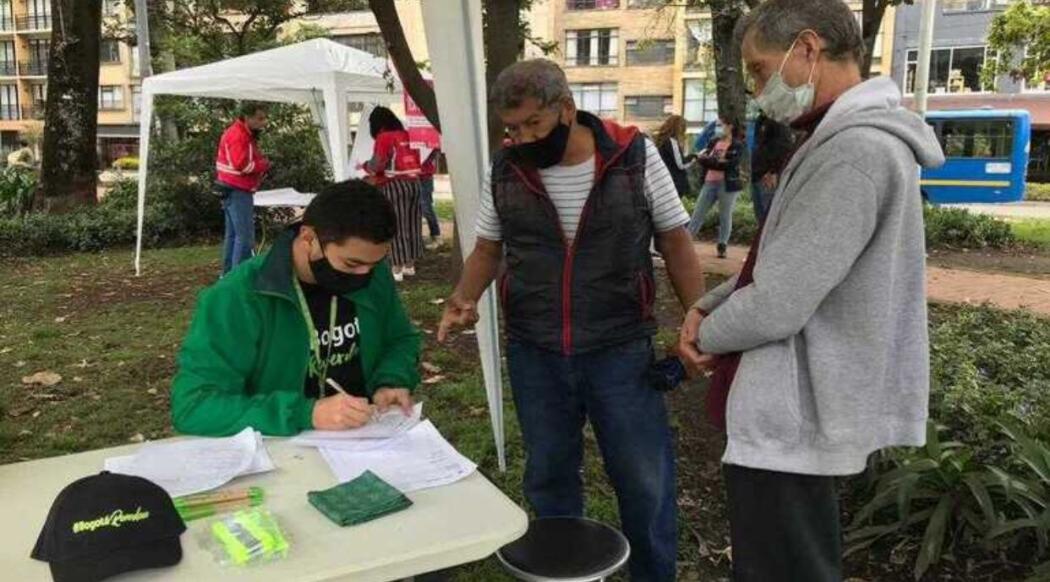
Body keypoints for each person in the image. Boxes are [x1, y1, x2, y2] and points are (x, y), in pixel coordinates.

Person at [676, 1, 945, 580]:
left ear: (806, 49)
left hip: (795, 408)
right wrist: (705, 306)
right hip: (797, 402)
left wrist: (707, 335)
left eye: (758, 68)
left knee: (785, 565)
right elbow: (784, 264)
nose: (755, 88)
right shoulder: (837, 141)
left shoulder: (854, 154)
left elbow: (778, 301)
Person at [437, 59, 704, 582]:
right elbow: (489, 247)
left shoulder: (633, 156)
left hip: (620, 347)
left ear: (566, 108)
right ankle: (562, 574)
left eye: (533, 125)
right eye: (511, 129)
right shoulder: (506, 169)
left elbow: (674, 237)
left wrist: (696, 313)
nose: (522, 138)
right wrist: (464, 296)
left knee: (644, 481)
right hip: (535, 349)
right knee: (550, 477)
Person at [171, 180, 422, 437]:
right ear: (309, 237)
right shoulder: (238, 298)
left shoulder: (372, 271)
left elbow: (400, 339)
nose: (364, 275)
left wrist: (391, 380)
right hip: (280, 448)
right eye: (351, 263)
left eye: (374, 263)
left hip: (363, 438)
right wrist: (306, 413)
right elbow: (194, 406)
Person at [364, 106, 423, 282]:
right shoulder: (406, 134)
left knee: (396, 225)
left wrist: (367, 166)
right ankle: (410, 265)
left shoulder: (384, 137)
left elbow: (378, 164)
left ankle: (396, 267)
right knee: (412, 223)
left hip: (395, 185)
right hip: (414, 183)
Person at [216, 103, 271, 276]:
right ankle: (238, 277)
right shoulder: (239, 135)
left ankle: (227, 275)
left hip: (230, 188)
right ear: (248, 118)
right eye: (260, 118)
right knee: (244, 238)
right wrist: (263, 164)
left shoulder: (238, 132)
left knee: (233, 236)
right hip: (238, 189)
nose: (264, 122)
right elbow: (241, 165)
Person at [687, 118, 744, 259]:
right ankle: (686, 243)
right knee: (698, 213)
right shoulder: (713, 142)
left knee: (725, 216)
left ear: (730, 126)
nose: (718, 128)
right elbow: (702, 159)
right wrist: (714, 161)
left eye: (720, 125)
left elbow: (729, 164)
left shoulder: (737, 145)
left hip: (727, 184)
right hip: (709, 182)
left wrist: (711, 161)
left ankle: (722, 245)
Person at [750, 111, 795, 222]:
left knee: (769, 216)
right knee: (760, 217)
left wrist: (774, 171)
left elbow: (786, 146)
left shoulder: (778, 119)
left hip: (768, 175)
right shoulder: (761, 119)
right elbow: (758, 146)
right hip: (757, 173)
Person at [653, 115, 696, 198]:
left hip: (662, 181)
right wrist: (693, 159)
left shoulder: (660, 141)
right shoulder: (672, 142)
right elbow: (681, 164)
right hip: (675, 182)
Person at [419, 148, 442, 249]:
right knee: (415, 209)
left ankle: (436, 236)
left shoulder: (429, 145)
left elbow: (435, 154)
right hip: (413, 178)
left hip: (425, 178)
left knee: (426, 208)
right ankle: (416, 237)